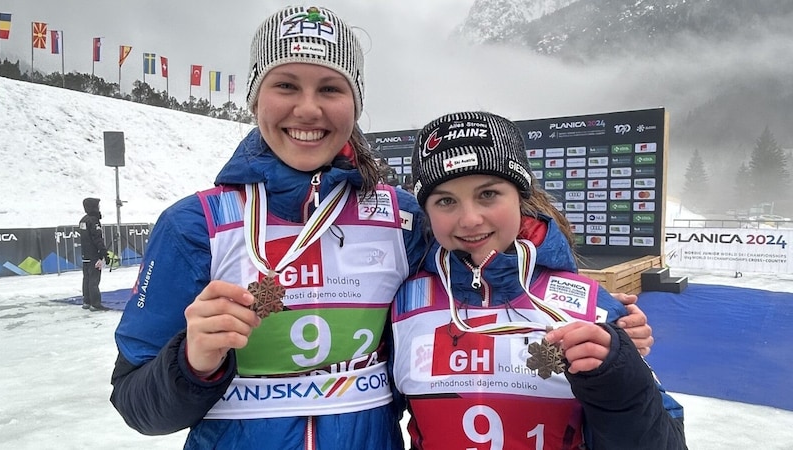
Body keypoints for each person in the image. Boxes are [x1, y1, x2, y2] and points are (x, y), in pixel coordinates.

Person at [109, 6, 653, 449]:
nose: (307, 108)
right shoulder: (194, 224)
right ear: (255, 96)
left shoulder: (403, 217)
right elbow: (138, 406)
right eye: (286, 85)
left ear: (356, 102)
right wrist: (191, 362)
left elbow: (486, 277)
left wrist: (603, 333)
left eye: (330, 89)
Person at [391, 111, 686, 449]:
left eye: (488, 194)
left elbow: (664, 440)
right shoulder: (403, 304)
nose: (470, 219)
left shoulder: (592, 307)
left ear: (521, 196)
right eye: (446, 201)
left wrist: (619, 372)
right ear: (426, 212)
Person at [79, 197, 110, 311]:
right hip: (93, 255)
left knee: (86, 278)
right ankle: (95, 304)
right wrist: (104, 254)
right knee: (94, 280)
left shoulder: (83, 220)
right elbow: (97, 239)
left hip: (85, 255)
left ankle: (86, 301)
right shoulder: (93, 221)